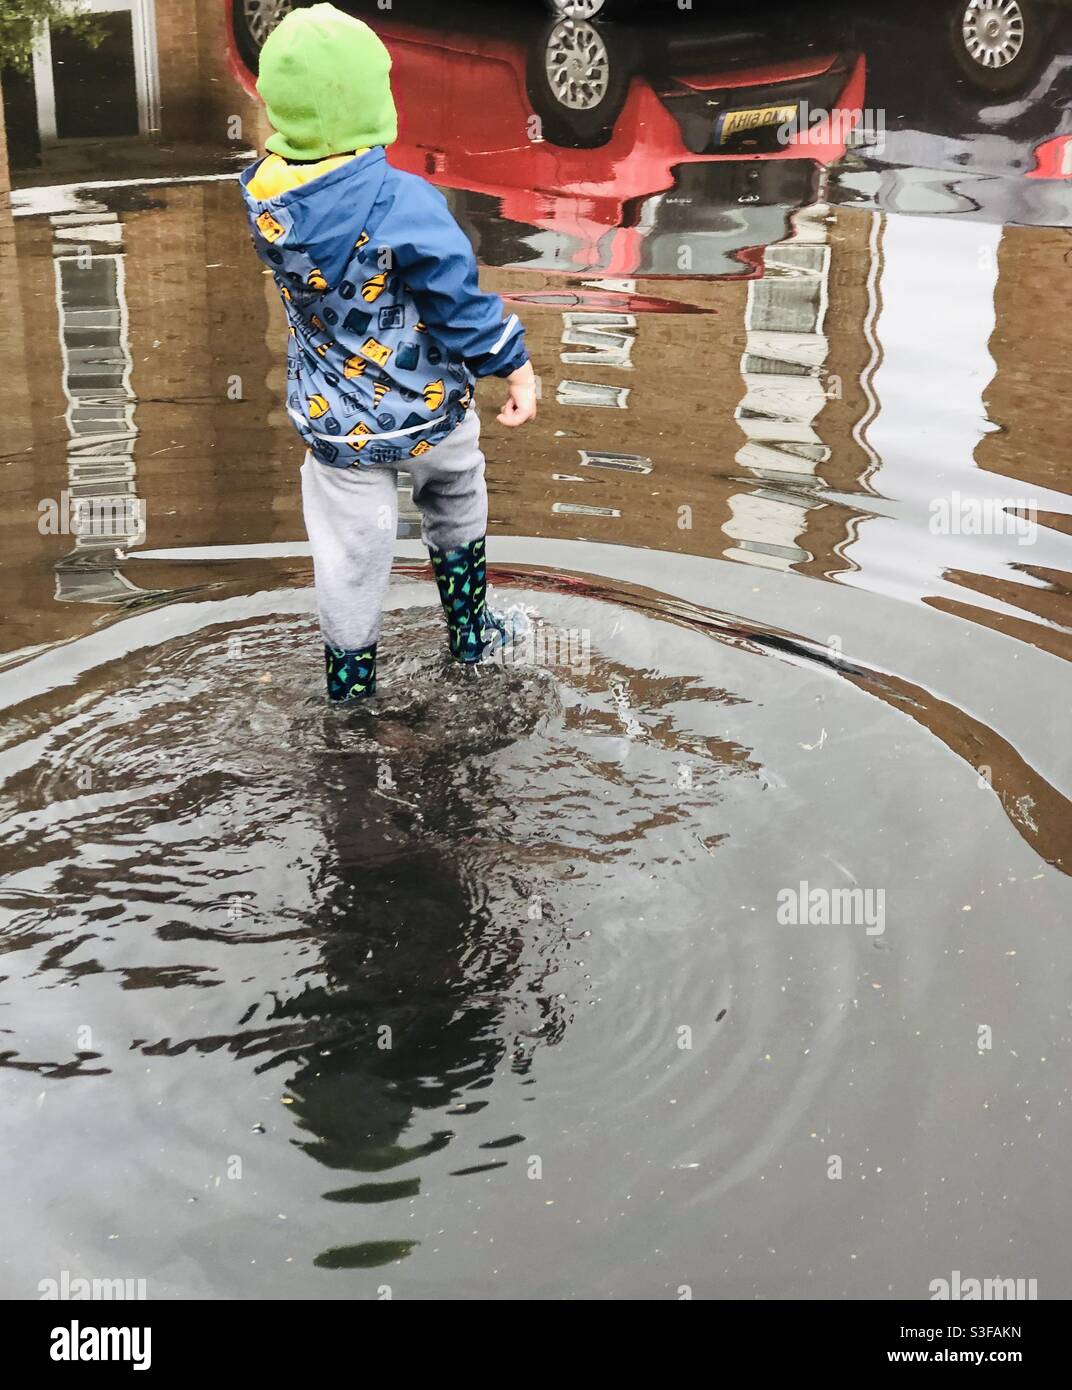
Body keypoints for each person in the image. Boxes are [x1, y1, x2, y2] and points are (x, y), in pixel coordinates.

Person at [240, 3, 537, 701]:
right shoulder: (404, 199)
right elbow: (457, 301)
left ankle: (350, 685)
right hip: (430, 413)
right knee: (457, 497)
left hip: (337, 424)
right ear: (373, 101)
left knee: (349, 557)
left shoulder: (266, 200)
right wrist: (512, 363)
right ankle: (472, 635)